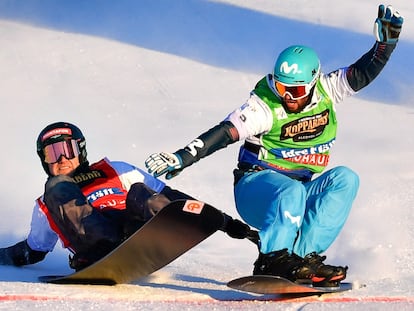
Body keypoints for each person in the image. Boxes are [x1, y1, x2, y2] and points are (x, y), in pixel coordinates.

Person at [144, 4, 403, 286]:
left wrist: (384, 46)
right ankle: (272, 258)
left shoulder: (328, 90)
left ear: (314, 83)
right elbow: (224, 132)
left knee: (345, 180)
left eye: (296, 90)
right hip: (257, 189)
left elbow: (362, 74)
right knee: (290, 190)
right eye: (281, 87)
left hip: (298, 192)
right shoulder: (263, 106)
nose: (288, 96)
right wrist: (182, 157)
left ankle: (301, 259)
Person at [0, 122, 251, 271]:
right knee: (55, 185)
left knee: (142, 193)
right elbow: (33, 250)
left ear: (81, 150)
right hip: (95, 242)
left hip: (135, 228)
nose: (62, 159)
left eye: (67, 149)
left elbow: (170, 194)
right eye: (52, 154)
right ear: (43, 161)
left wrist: (225, 222)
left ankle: (157, 231)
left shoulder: (115, 169)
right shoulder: (50, 200)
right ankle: (107, 247)